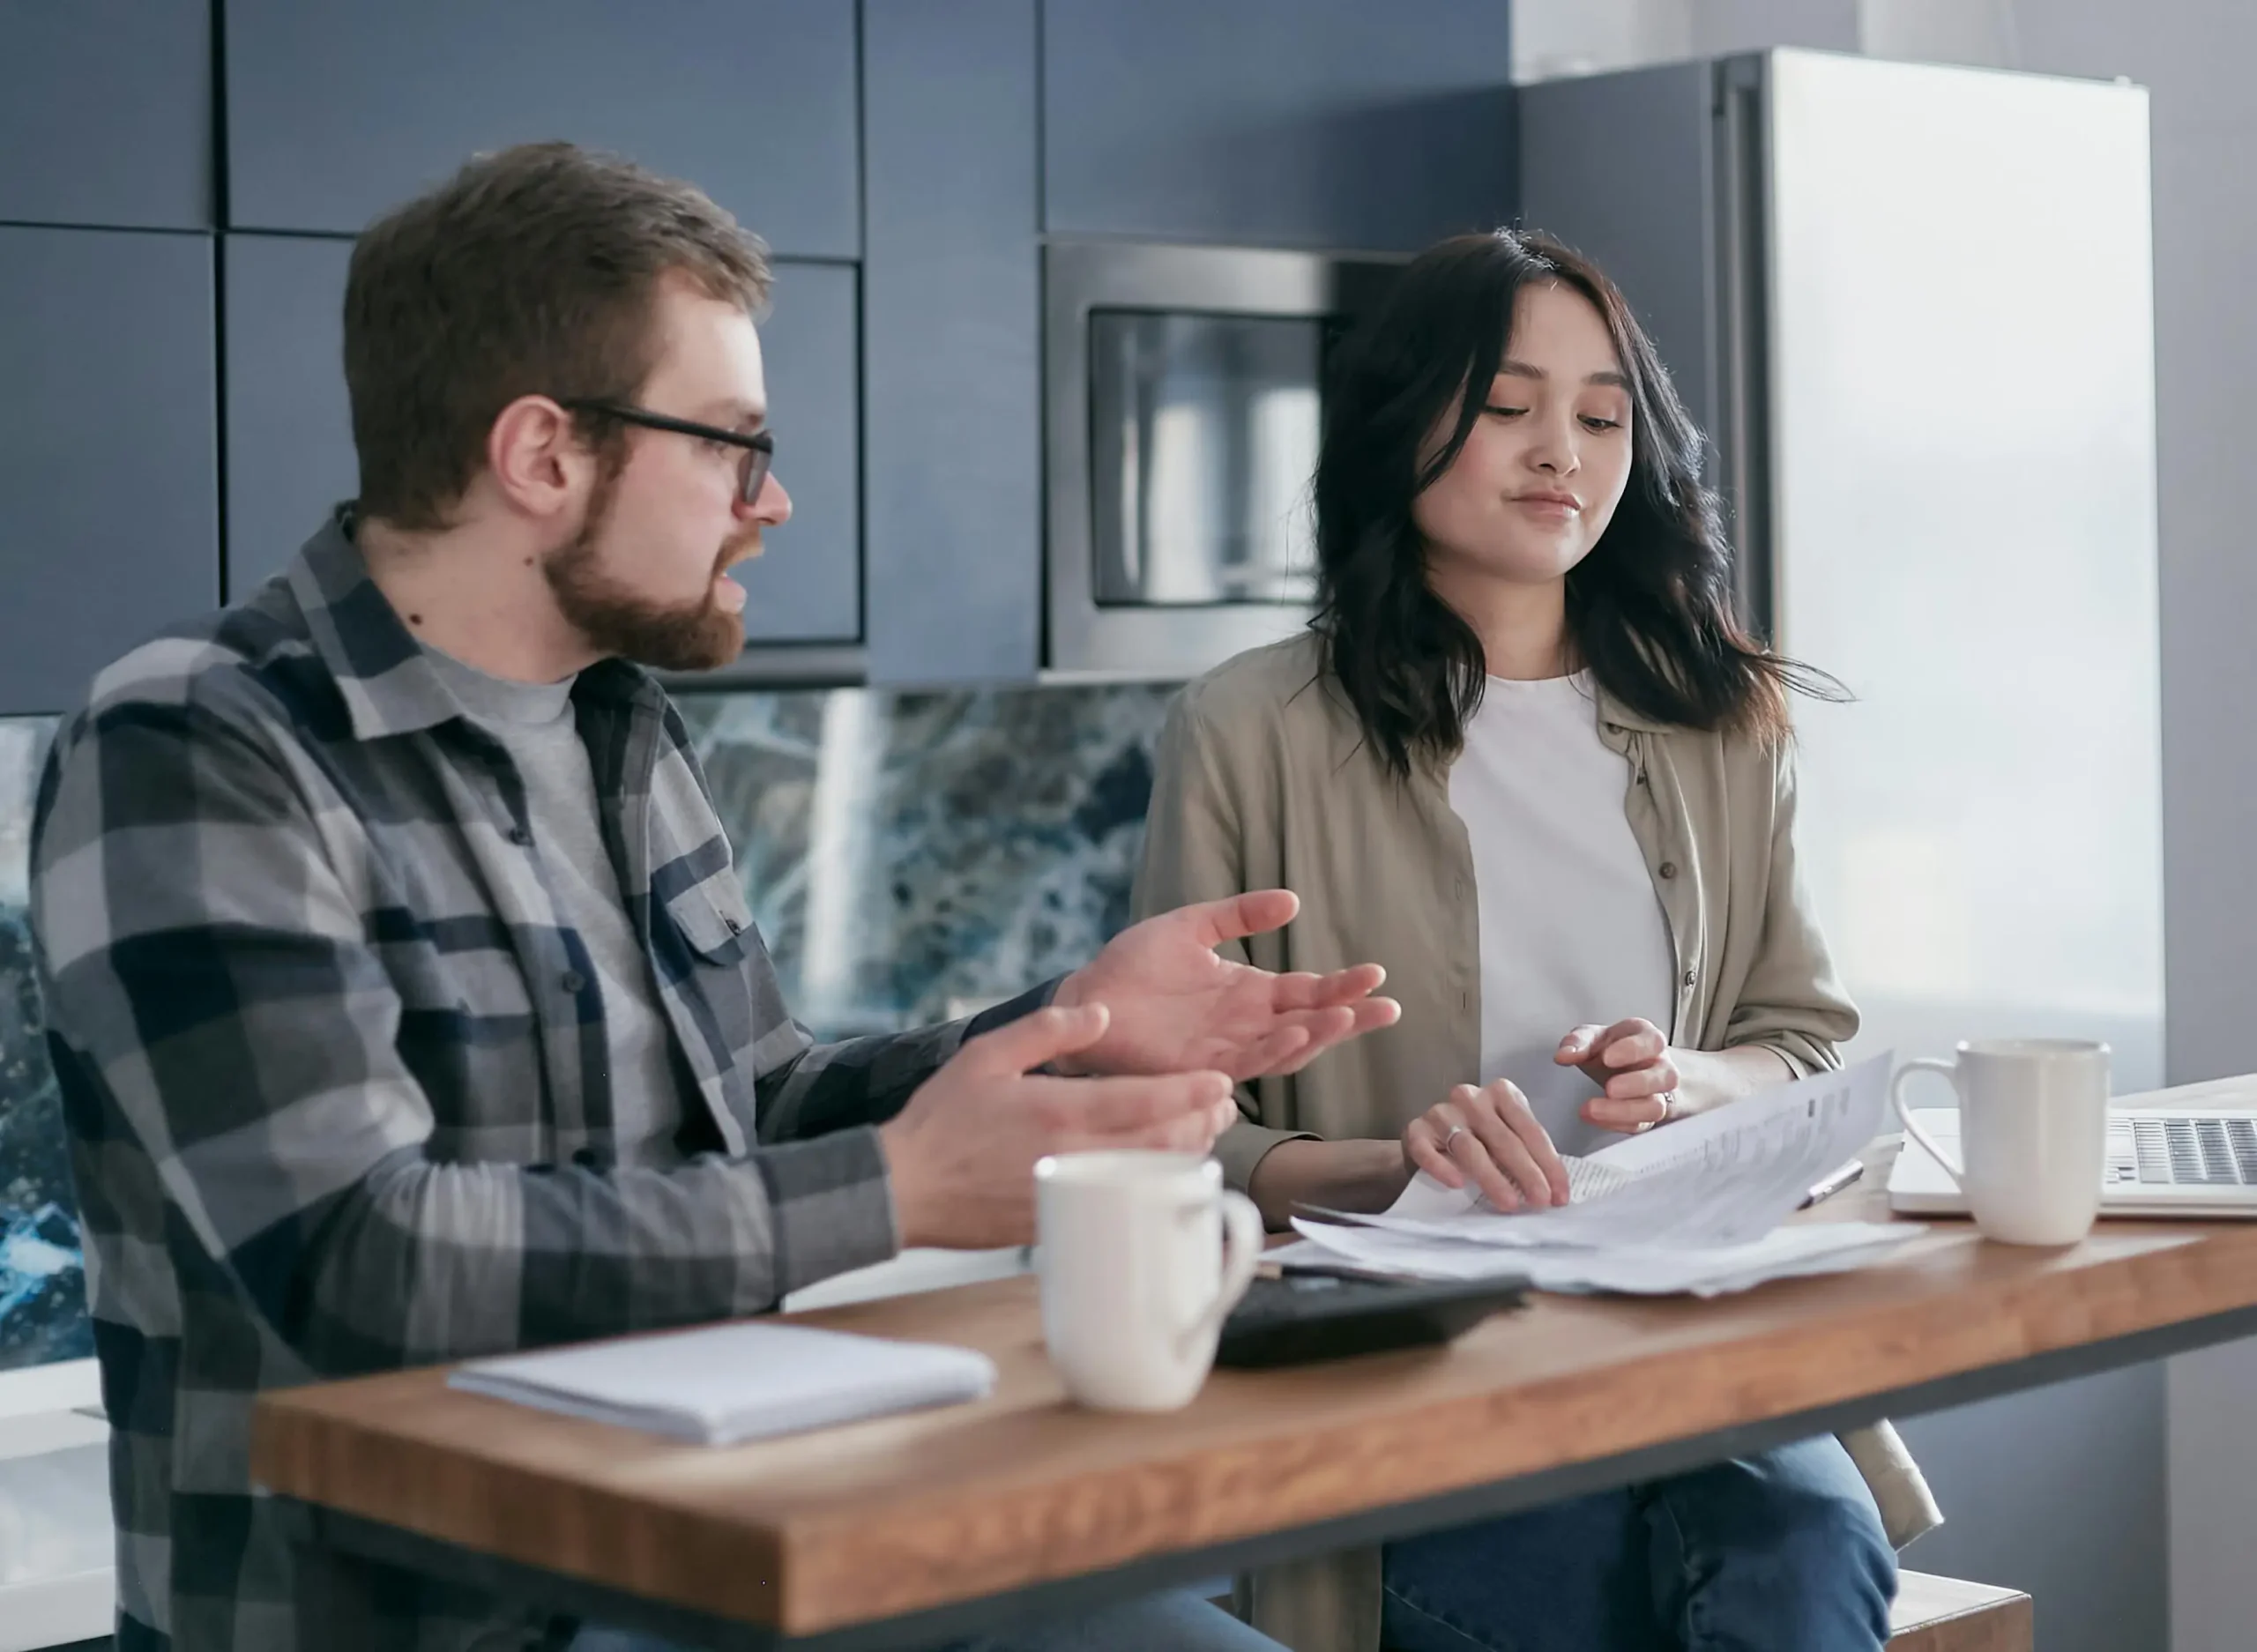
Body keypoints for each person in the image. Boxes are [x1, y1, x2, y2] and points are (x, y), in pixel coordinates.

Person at [28, 143, 1398, 1652]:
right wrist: (898, 1190)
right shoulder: (198, 742)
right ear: (544, 456)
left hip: (731, 1546)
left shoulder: (620, 723)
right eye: (733, 444)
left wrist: (1075, 1030)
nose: (775, 500)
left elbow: (766, 1095)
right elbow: (359, 1259)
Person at [1132, 228, 1943, 1652]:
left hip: (1691, 1336)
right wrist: (1398, 1164)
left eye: (1600, 415)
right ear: (1404, 424)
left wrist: (1687, 1079)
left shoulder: (1722, 720)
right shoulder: (1247, 732)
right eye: (1507, 407)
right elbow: (1167, 1135)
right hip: (1419, 1380)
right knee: (1564, 1586)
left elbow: (1805, 1038)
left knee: (1814, 1538)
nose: (1559, 450)